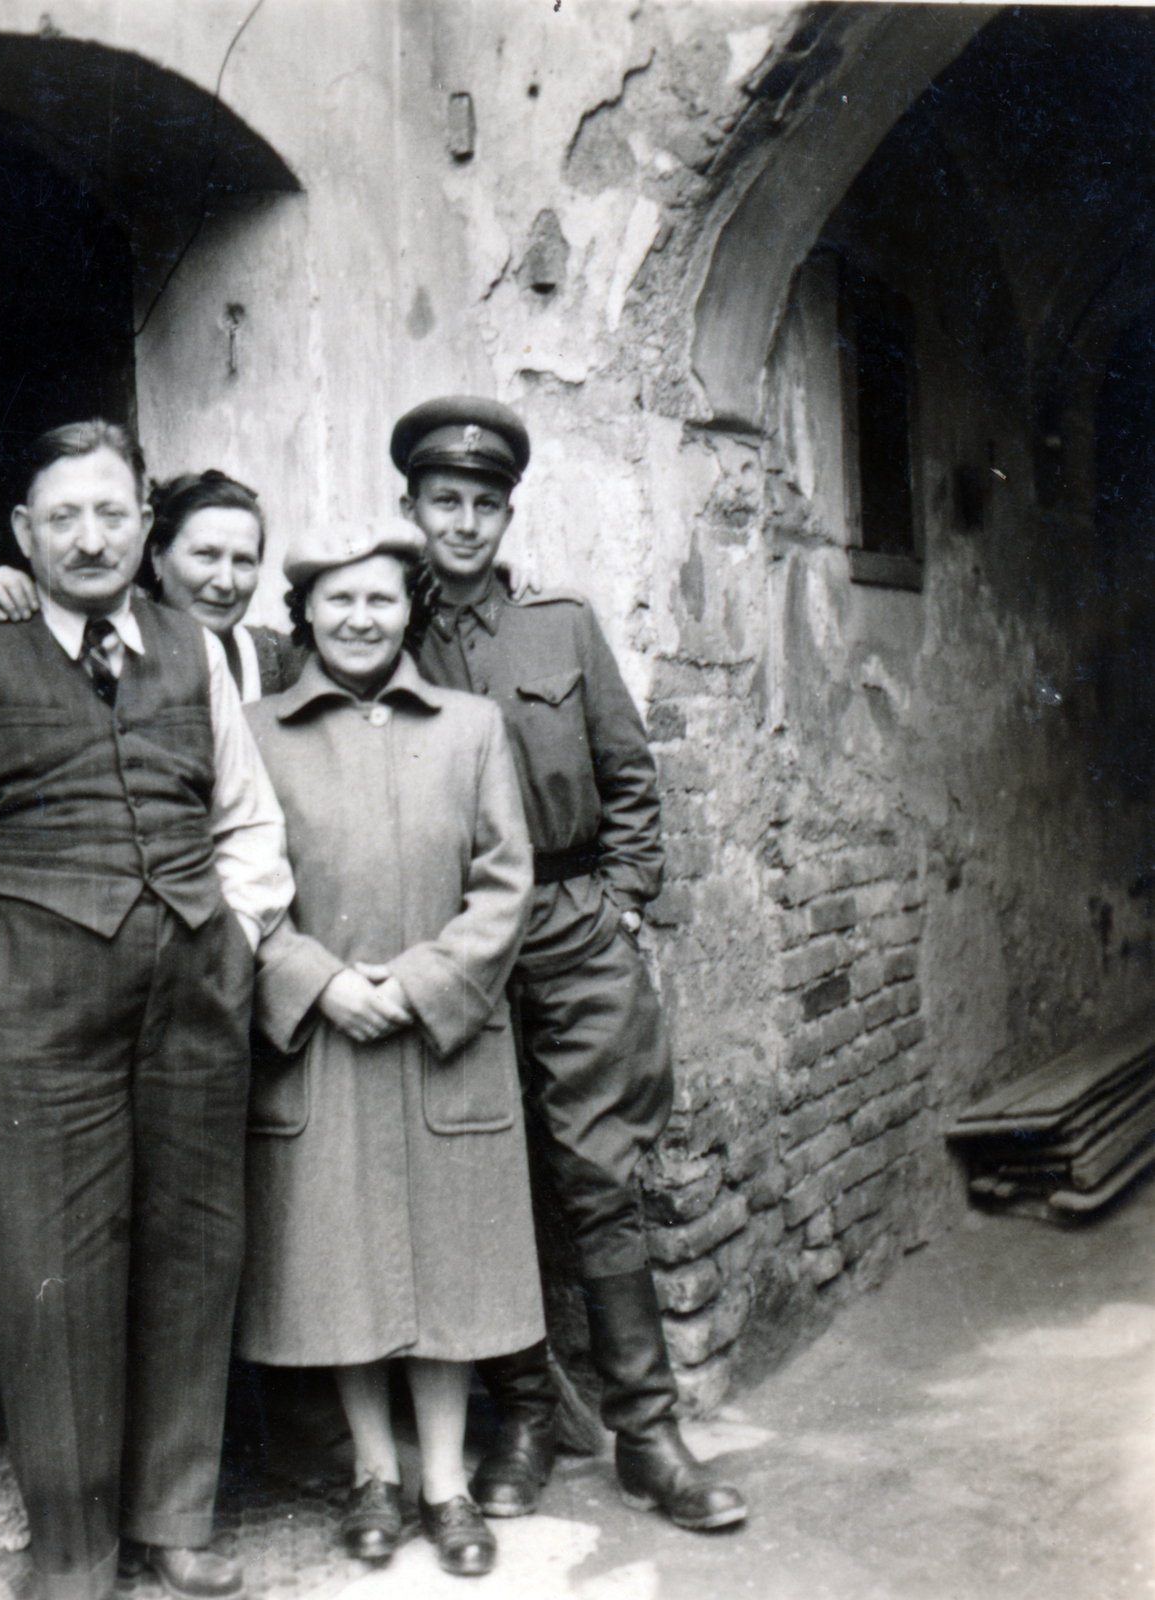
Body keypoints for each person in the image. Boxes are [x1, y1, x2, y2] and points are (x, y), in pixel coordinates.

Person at [0, 420, 294, 1600]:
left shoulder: (188, 647)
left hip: (193, 993)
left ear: (143, 524)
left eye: (112, 513)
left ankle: (174, 1517)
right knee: (54, 1273)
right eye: (64, 517)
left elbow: (246, 818)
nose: (92, 537)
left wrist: (237, 932)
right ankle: (75, 1553)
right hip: (34, 1007)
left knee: (193, 1251)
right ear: (24, 533)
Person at [390, 397, 749, 1533]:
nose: (462, 521)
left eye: (483, 504)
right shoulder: (370, 626)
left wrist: (621, 906)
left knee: (599, 1174)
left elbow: (629, 775)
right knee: (481, 1177)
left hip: (569, 917)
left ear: (505, 513)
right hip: (450, 937)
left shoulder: (559, 625)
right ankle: (527, 1420)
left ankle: (646, 1434)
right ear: (410, 508)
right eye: (442, 501)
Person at [238, 519, 542, 1579]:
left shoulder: (469, 728)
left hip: (443, 1041)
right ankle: (374, 1473)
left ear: (404, 608)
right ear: (304, 616)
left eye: (376, 598)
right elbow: (231, 889)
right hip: (321, 1044)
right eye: (335, 600)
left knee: (449, 1266)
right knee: (346, 1267)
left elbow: (505, 885)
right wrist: (320, 982)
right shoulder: (254, 731)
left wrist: (415, 986)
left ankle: (447, 1484)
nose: (358, 617)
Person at [0, 468, 306, 701]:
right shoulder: (102, 645)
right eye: (205, 555)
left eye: (243, 561)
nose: (226, 582)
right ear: (157, 558)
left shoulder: (277, 657)